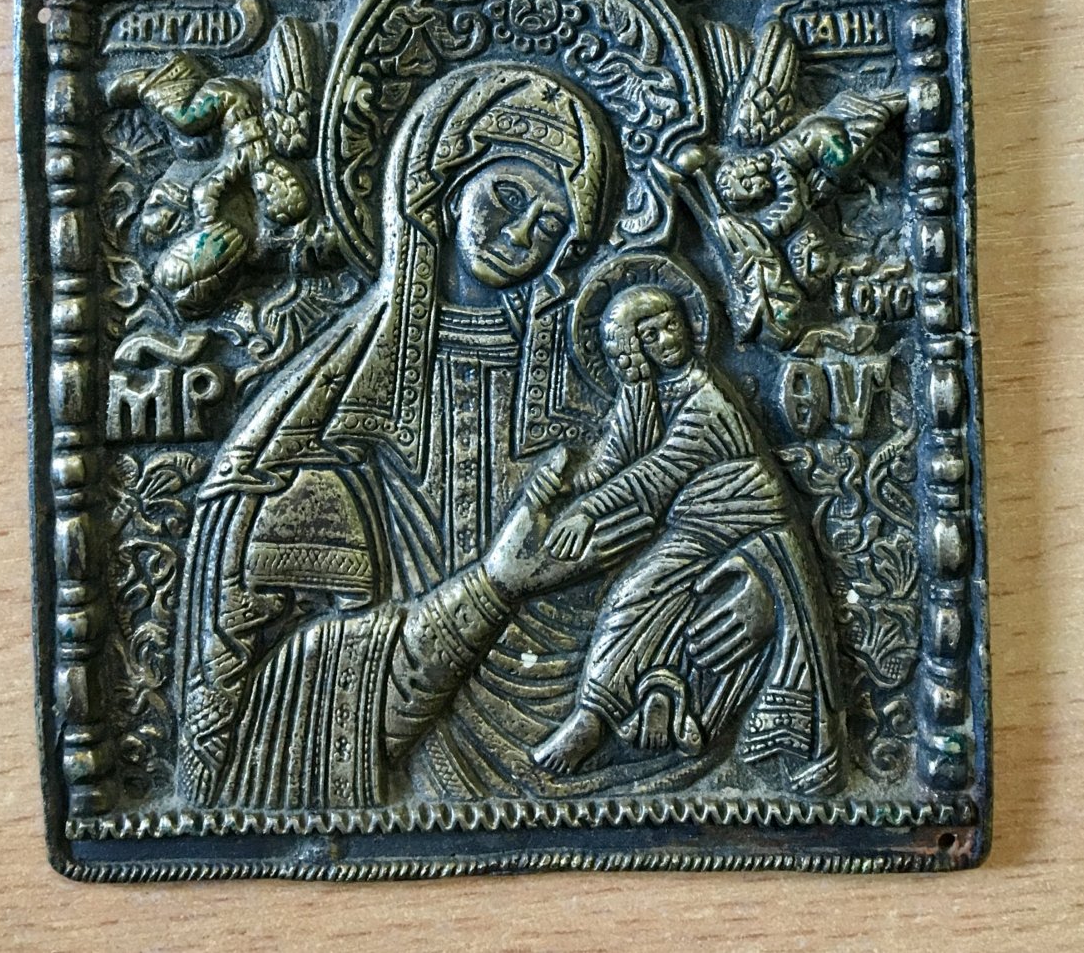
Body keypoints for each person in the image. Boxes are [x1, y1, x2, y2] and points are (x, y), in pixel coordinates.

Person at [175, 63, 620, 809]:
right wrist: (496, 584)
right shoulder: (334, 424)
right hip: (389, 760)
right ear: (441, 189)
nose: (519, 236)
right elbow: (279, 679)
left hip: (584, 757)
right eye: (508, 196)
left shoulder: (582, 395)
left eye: (548, 226)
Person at [533, 281, 845, 795]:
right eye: (650, 334)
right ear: (633, 350)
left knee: (636, 594)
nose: (667, 338)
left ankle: (594, 719)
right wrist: (568, 481)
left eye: (672, 324)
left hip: (743, 523)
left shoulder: (707, 400)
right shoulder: (650, 394)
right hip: (699, 525)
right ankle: (653, 700)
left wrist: (588, 511)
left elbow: (658, 472)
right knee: (643, 595)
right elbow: (617, 456)